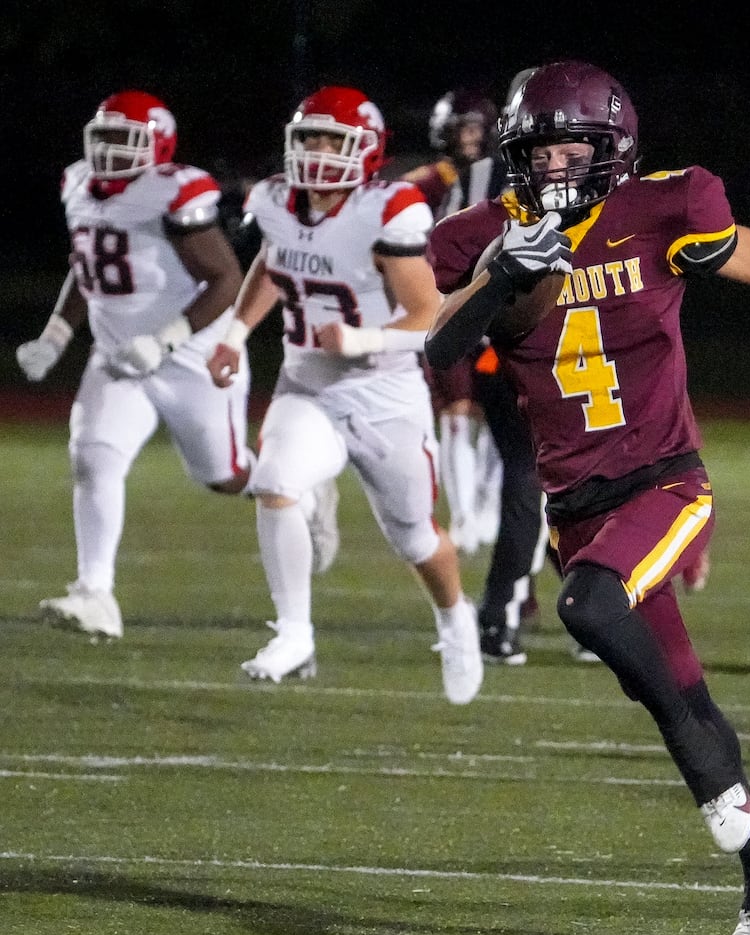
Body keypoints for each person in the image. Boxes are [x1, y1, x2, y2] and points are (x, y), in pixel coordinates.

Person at [424, 60, 750, 935]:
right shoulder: (482, 234)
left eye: (569, 150)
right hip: (573, 505)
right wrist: (500, 277)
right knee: (671, 691)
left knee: (590, 608)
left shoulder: (667, 208)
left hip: (664, 481)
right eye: (537, 152)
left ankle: (743, 831)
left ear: (611, 151)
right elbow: (438, 349)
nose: (553, 168)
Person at [205, 85, 482, 706]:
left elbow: (428, 315)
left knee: (415, 537)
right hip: (308, 382)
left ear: (367, 150)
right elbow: (277, 263)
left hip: (385, 391)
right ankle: (295, 632)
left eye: (334, 140)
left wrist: (356, 339)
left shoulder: (389, 209)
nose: (318, 152)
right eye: (309, 138)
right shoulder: (276, 199)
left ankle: (454, 617)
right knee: (273, 481)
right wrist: (234, 332)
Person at [16, 90, 255, 642]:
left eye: (125, 140)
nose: (110, 151)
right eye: (103, 138)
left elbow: (226, 280)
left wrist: (167, 339)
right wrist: (57, 334)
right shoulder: (77, 183)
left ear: (158, 146)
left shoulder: (173, 191)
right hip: (117, 357)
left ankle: (298, 488)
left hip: (192, 357)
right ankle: (95, 593)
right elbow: (91, 265)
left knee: (224, 476)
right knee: (94, 459)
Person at [404, 83, 549, 666]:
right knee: (539, 474)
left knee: (554, 479)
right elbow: (435, 274)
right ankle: (506, 608)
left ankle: (520, 603)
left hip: (535, 349)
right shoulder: (477, 191)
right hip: (518, 351)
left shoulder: (477, 188)